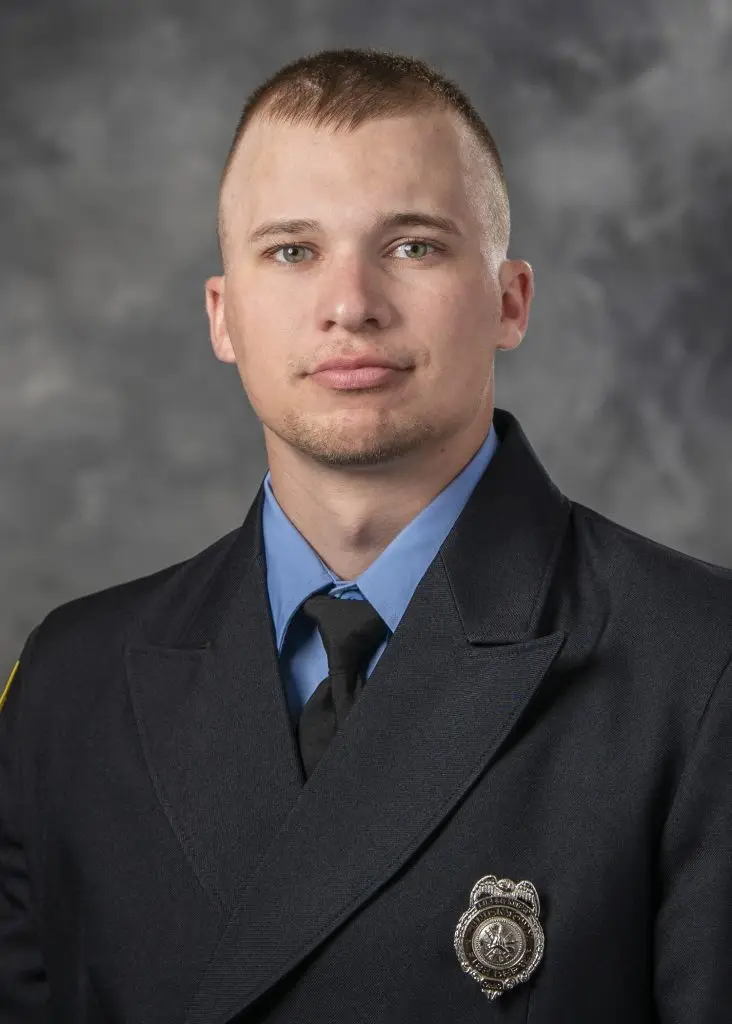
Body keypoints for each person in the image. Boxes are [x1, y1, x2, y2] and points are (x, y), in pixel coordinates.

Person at [1, 46, 730, 1024]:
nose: (350, 305)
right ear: (223, 316)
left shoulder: (701, 665)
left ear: (510, 300)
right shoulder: (70, 681)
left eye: (414, 246)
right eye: (291, 251)